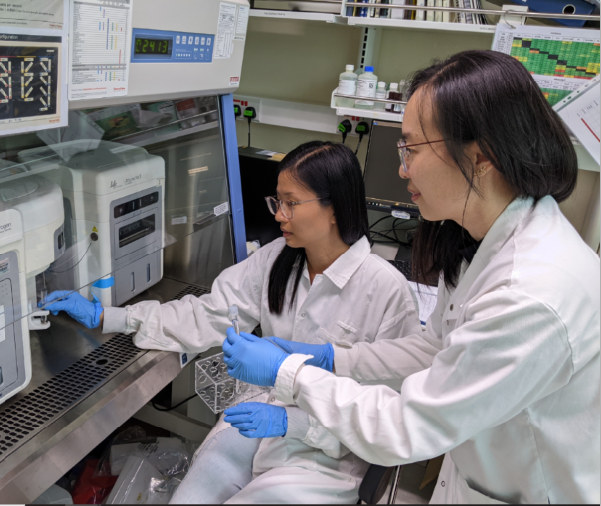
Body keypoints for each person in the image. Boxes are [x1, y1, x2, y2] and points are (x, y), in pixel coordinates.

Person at [222, 50, 600, 504]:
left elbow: (406, 426)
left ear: (481, 157)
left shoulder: (531, 293)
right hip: (478, 476)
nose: (402, 168)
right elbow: (433, 349)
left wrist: (291, 373)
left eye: (412, 148)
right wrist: (329, 358)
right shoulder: (478, 245)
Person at [40, 141, 422, 503]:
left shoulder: (387, 293)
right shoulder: (278, 259)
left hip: (329, 451)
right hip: (258, 417)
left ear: (334, 207)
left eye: (290, 203)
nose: (278, 215)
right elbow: (208, 313)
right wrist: (112, 316)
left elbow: (386, 413)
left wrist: (296, 424)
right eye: (277, 201)